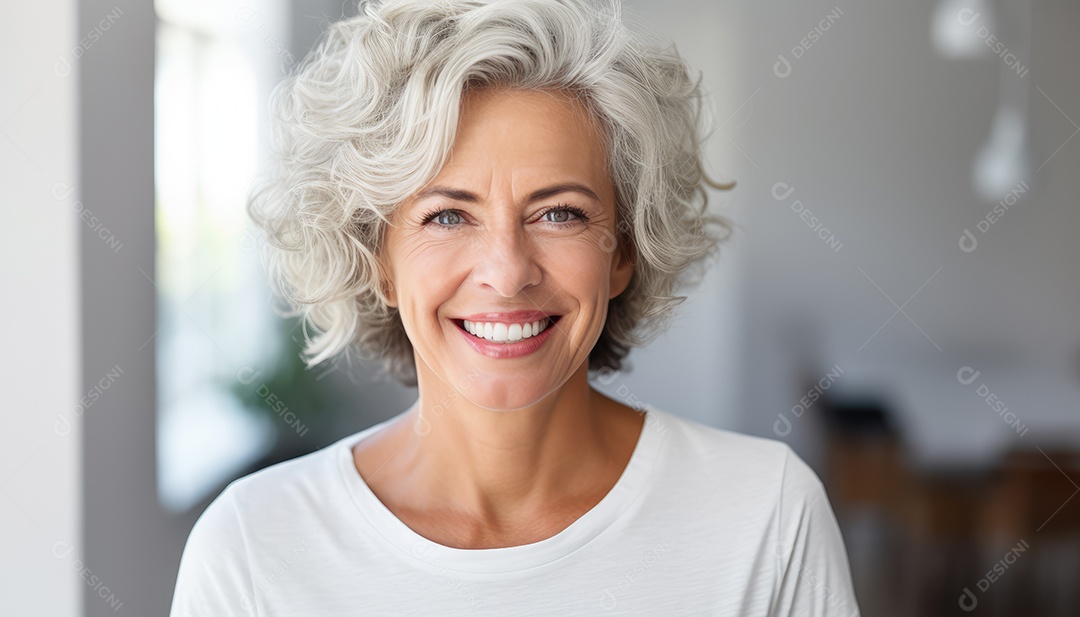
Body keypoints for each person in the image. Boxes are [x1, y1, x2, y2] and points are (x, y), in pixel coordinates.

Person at [170, 0, 861, 614]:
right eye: (447, 216)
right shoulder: (251, 549)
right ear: (377, 258)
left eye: (559, 212)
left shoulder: (766, 516)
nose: (506, 273)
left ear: (624, 250)